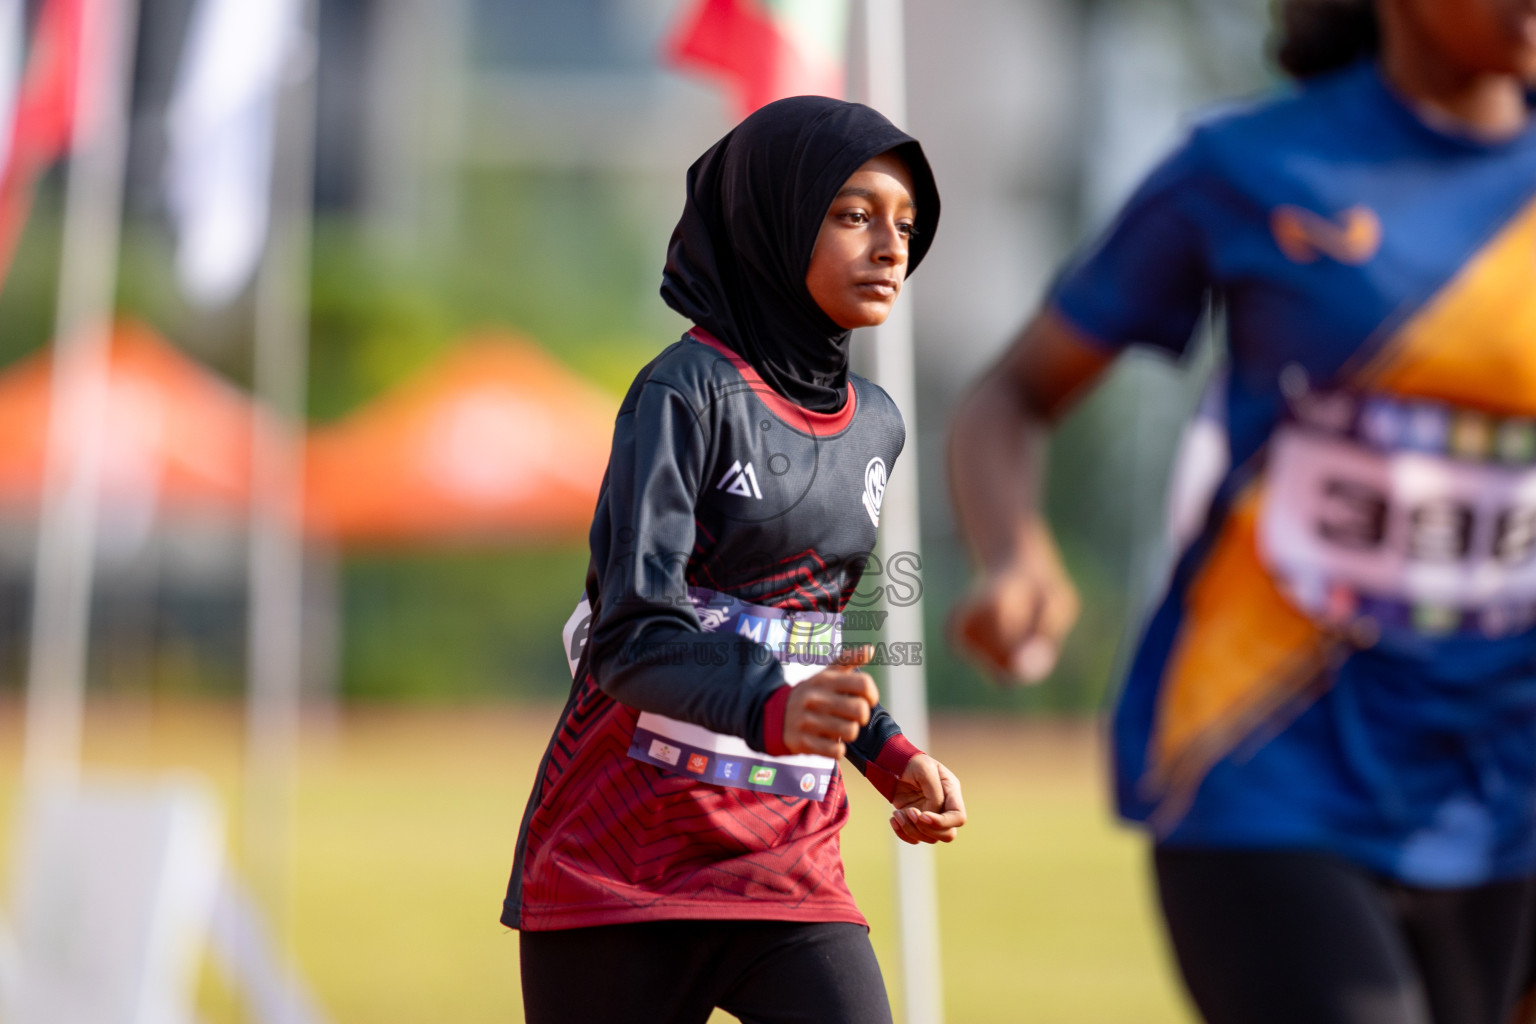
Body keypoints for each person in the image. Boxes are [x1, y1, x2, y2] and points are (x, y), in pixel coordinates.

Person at [948, 1, 1536, 1022]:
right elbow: (1011, 396)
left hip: (1506, 787)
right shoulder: (1252, 168)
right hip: (1265, 766)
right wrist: (1017, 554)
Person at [502, 96, 966, 1024]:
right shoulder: (686, 392)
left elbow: (825, 641)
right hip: (620, 867)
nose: (890, 247)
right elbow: (631, 638)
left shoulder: (878, 423)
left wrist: (888, 753)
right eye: (853, 214)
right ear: (775, 219)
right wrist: (772, 705)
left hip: (787, 866)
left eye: (906, 225)